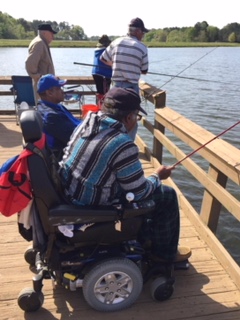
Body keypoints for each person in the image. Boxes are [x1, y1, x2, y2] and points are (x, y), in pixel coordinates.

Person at [59, 87, 191, 263]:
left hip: (71, 193)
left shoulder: (87, 122)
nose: (136, 121)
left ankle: (147, 238)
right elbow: (140, 193)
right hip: (91, 206)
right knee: (166, 195)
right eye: (136, 117)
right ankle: (164, 255)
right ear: (129, 117)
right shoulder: (122, 144)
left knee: (135, 187)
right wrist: (157, 176)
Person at [37, 74, 82, 159]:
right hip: (68, 156)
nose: (62, 91)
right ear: (49, 93)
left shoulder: (51, 106)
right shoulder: (52, 116)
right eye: (59, 88)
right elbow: (77, 140)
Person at [100, 17, 149, 94]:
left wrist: (114, 65)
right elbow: (144, 71)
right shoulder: (142, 47)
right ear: (137, 31)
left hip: (115, 88)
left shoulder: (116, 42)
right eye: (143, 32)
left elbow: (103, 58)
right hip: (131, 89)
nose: (143, 35)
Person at [25, 23, 57, 105]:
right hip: (43, 87)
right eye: (51, 34)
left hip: (45, 86)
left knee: (46, 110)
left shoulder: (42, 42)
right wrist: (39, 77)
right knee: (44, 110)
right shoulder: (39, 43)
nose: (53, 37)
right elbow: (30, 64)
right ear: (44, 33)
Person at [92, 35, 112, 106]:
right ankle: (102, 109)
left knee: (100, 92)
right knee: (105, 93)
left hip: (95, 72)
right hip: (104, 73)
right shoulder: (106, 50)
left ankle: (99, 107)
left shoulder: (97, 50)